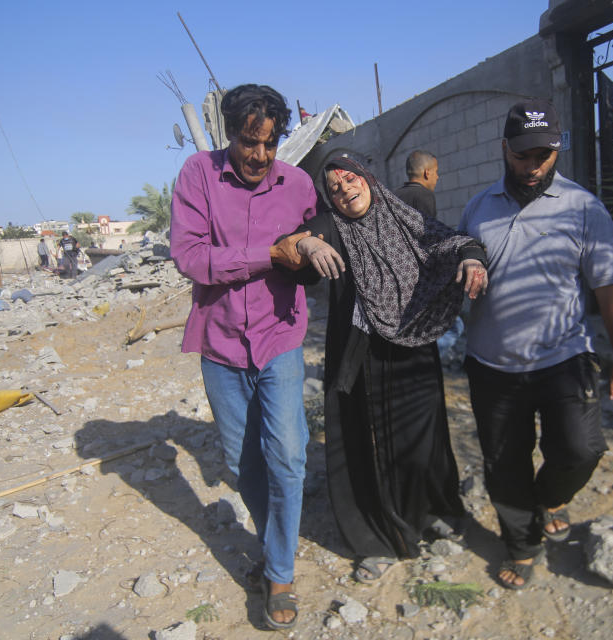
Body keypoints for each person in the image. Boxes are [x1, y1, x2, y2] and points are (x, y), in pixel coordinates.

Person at [459, 98, 613, 590]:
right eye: (523, 155)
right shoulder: (477, 209)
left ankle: (550, 497)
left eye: (544, 154)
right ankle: (521, 545)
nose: (533, 166)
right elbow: (456, 266)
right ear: (504, 149)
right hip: (492, 364)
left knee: (582, 449)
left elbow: (609, 287)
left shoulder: (584, 207)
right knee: (504, 463)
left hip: (564, 356)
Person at [286, 156, 488, 583]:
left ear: (368, 179)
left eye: (350, 179)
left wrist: (471, 260)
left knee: (423, 435)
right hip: (361, 356)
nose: (344, 190)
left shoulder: (404, 215)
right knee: (367, 443)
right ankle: (375, 536)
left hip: (412, 345)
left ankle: (432, 511)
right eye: (335, 187)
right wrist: (309, 244)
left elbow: (451, 240)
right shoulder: (332, 226)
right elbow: (294, 242)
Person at [169, 84, 316, 631]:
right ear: (229, 133)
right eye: (248, 143)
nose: (258, 156)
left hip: (280, 336)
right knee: (241, 462)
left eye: (270, 143)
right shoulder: (198, 175)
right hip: (221, 341)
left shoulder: (299, 184)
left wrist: (306, 250)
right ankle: (273, 533)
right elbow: (189, 256)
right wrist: (267, 255)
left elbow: (317, 234)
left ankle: (279, 572)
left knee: (288, 455)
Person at [393, 150, 439, 219]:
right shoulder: (425, 195)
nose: (437, 177)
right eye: (436, 171)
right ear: (427, 173)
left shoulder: (395, 195)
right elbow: (429, 227)